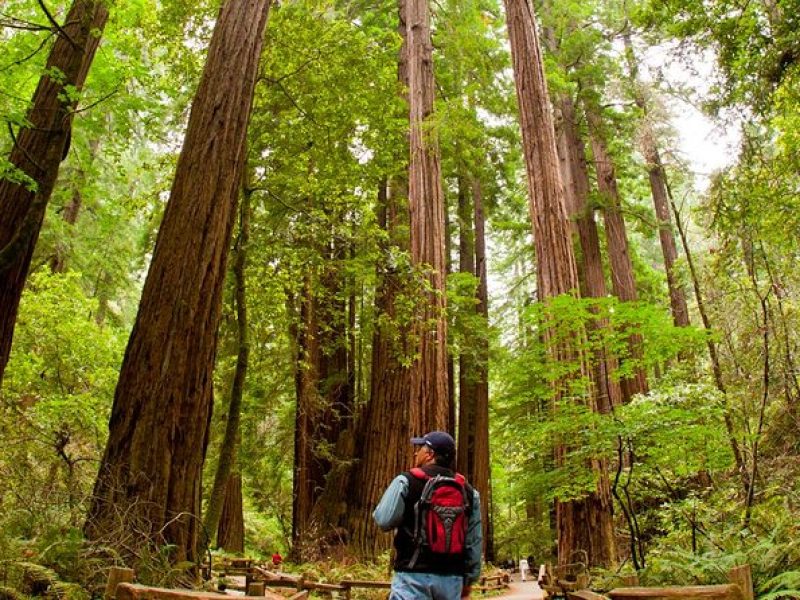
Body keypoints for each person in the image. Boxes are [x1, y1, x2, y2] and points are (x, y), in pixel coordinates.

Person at [373, 431, 482, 599]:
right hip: (451, 579)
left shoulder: (406, 481)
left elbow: (384, 520)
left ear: (430, 454)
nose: (416, 452)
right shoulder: (469, 492)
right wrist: (469, 579)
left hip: (412, 576)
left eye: (421, 448)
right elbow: (473, 541)